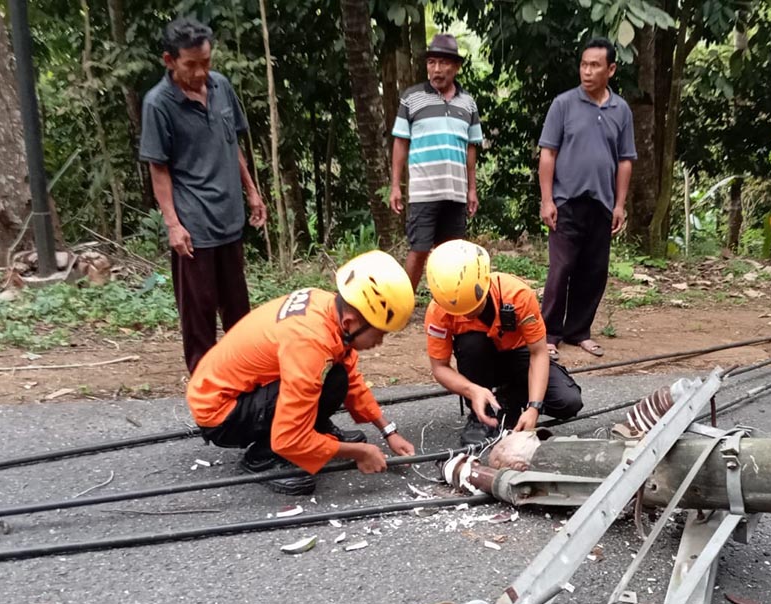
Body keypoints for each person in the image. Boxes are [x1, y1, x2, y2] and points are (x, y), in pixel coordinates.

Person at [187, 251, 417, 495]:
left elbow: (350, 377)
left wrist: (388, 431)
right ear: (350, 322)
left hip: (243, 390)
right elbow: (288, 437)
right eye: (379, 333)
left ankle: (315, 433)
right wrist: (360, 453)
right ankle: (262, 457)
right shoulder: (309, 343)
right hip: (221, 413)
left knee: (338, 376)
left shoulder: (327, 306)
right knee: (320, 382)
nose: (379, 342)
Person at [140, 18, 267, 374]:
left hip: (230, 219)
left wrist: (252, 191)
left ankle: (250, 384)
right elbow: (159, 169)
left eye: (206, 62)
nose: (200, 72)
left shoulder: (222, 87)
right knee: (198, 319)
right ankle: (206, 395)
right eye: (191, 64)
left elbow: (232, 144)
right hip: (194, 228)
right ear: (170, 60)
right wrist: (173, 225)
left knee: (239, 314)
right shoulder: (158, 104)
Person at [424, 240, 583, 447]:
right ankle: (481, 416)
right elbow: (440, 367)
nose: (467, 314)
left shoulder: (517, 295)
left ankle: (512, 398)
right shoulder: (438, 311)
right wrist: (471, 390)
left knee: (568, 402)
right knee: (473, 343)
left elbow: (538, 352)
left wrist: (534, 407)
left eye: (473, 307)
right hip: (478, 363)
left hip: (519, 356)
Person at [537, 37, 636, 361]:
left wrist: (619, 204)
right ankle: (548, 334)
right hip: (566, 201)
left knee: (594, 271)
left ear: (611, 69)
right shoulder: (563, 104)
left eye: (595, 65)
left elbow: (625, 160)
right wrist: (547, 200)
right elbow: (548, 153)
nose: (587, 71)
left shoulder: (620, 109)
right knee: (561, 268)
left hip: (602, 203)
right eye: (584, 64)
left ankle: (579, 331)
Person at [389, 33, 484, 290]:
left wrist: (472, 189)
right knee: (418, 250)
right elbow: (400, 142)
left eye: (443, 63)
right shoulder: (412, 98)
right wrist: (395, 185)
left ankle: (448, 305)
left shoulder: (468, 103)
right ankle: (403, 303)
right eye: (432, 63)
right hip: (423, 191)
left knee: (452, 255)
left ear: (456, 67)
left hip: (455, 193)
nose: (436, 70)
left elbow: (471, 147)